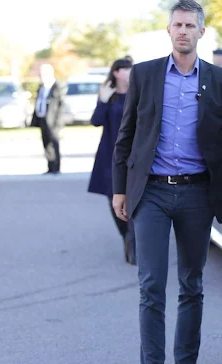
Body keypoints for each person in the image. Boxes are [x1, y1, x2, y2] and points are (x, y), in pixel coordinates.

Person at [112, 1, 222, 364]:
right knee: (151, 287)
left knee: (192, 286)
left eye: (191, 25)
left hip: (195, 193)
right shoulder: (145, 74)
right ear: (169, 30)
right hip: (151, 192)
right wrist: (120, 188)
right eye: (178, 24)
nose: (184, 31)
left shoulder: (221, 81)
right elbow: (126, 135)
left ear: (202, 33)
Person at [88, 57, 136, 265]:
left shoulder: (137, 93)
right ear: (116, 72)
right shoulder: (110, 96)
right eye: (126, 69)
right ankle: (125, 235)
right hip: (110, 154)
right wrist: (103, 100)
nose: (129, 72)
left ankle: (134, 244)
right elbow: (96, 121)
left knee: (135, 200)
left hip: (134, 154)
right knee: (113, 199)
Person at [31, 63, 65, 174]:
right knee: (46, 143)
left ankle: (56, 167)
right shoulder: (41, 87)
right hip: (43, 119)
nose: (41, 77)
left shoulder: (56, 87)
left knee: (54, 143)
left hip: (54, 121)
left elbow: (61, 106)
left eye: (43, 74)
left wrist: (58, 121)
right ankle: (50, 166)